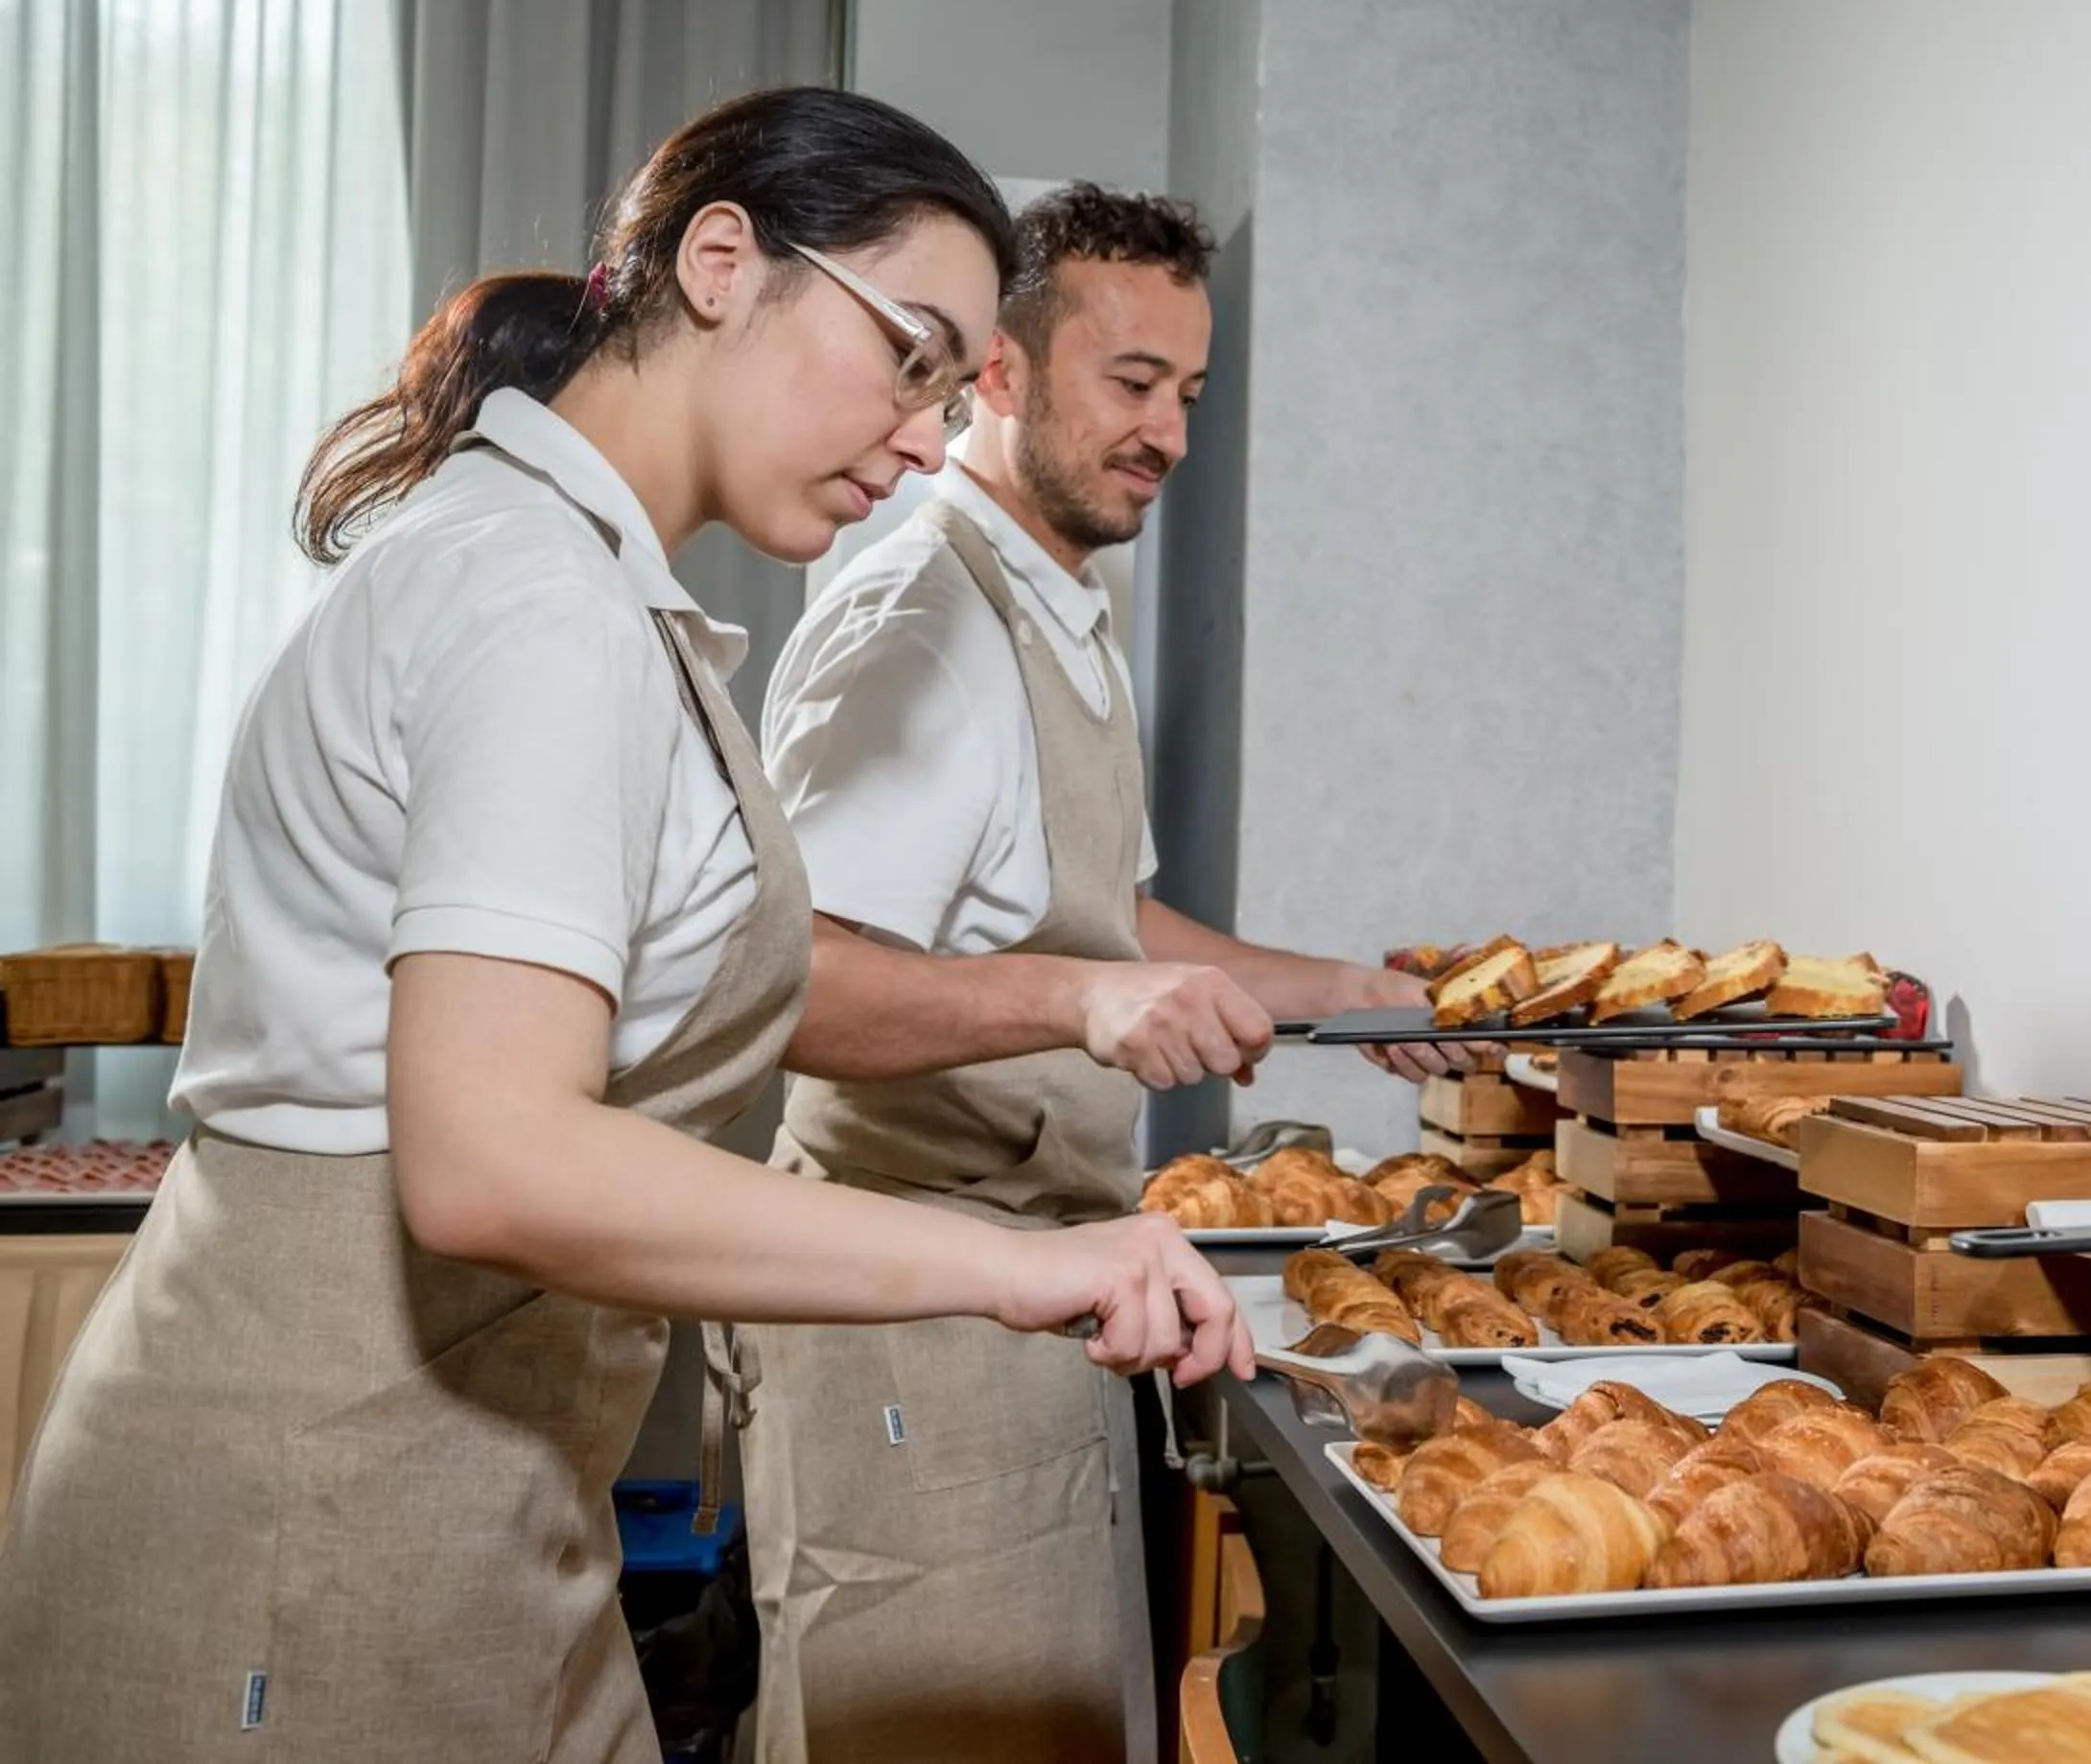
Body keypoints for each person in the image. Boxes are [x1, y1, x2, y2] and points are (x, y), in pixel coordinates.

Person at [0, 90, 1246, 1764]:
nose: (925, 435)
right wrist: (1021, 1265)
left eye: (954, 387)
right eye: (909, 355)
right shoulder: (535, 598)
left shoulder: (601, 593)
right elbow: (497, 1161)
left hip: (487, 1488)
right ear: (723, 261)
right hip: (308, 1502)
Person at [742, 184, 1457, 1762]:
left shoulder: (1063, 602)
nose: (1171, 434)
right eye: (1130, 383)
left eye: (1190, 394)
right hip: (904, 1317)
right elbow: (794, 982)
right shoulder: (925, 619)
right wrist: (1078, 1003)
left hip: (1041, 1287)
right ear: (994, 371)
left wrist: (1348, 989)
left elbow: (1102, 915)